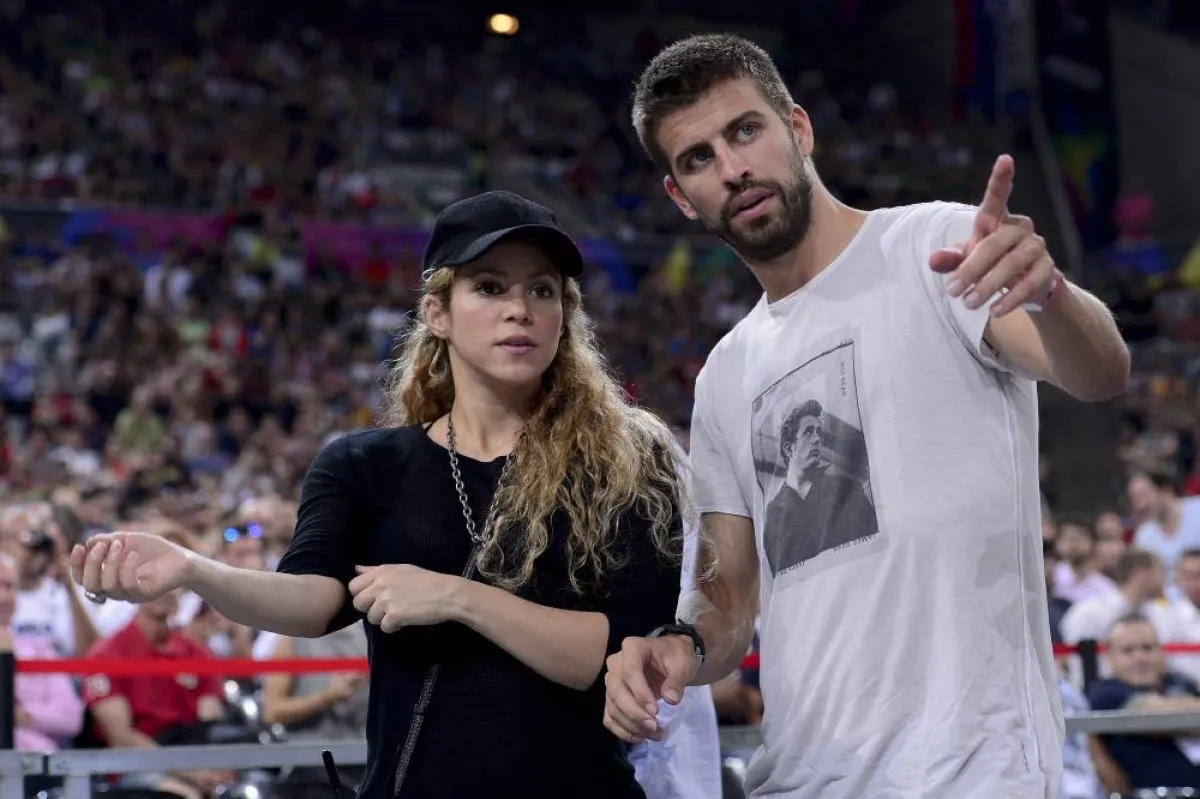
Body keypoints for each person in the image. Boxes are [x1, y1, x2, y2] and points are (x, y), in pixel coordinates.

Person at [602, 33, 1131, 798]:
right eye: (698, 158)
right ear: (682, 197)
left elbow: (1101, 371)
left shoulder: (935, 246)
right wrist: (680, 645)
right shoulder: (724, 374)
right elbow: (728, 599)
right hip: (801, 779)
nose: (733, 167)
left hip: (972, 772)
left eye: (745, 130)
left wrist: (1050, 294)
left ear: (799, 129)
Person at [71, 190, 686, 799]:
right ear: (437, 313)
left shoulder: (626, 462)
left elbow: (616, 652)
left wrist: (455, 597)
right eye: (490, 287)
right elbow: (312, 600)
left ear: (563, 316)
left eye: (542, 291)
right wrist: (193, 570)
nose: (519, 309)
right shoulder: (363, 463)